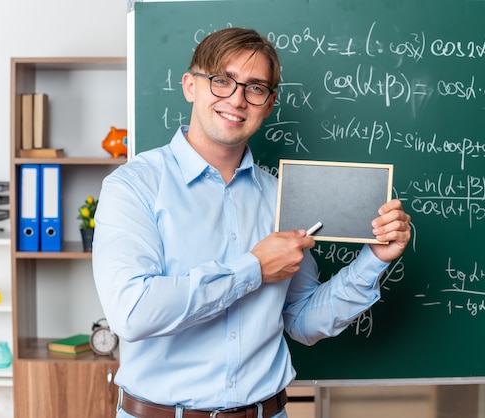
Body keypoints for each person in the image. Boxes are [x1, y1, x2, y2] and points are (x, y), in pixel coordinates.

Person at [92, 27, 411, 418]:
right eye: (222, 81)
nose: (237, 100)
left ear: (269, 103)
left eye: (255, 88)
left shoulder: (283, 198)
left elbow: (303, 321)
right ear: (190, 85)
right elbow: (133, 312)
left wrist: (374, 260)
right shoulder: (133, 186)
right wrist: (255, 268)